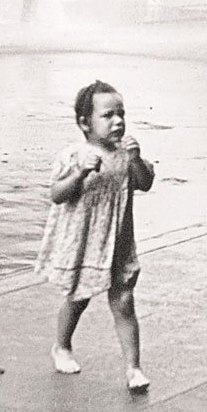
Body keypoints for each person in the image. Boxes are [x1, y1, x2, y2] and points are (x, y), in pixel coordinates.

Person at [34, 79, 155, 392]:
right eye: (108, 115)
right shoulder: (74, 155)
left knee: (124, 302)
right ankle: (61, 345)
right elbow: (57, 194)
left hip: (118, 242)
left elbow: (144, 183)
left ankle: (133, 369)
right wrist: (80, 173)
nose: (118, 121)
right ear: (84, 123)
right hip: (84, 243)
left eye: (121, 114)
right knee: (78, 298)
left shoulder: (125, 155)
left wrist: (137, 160)